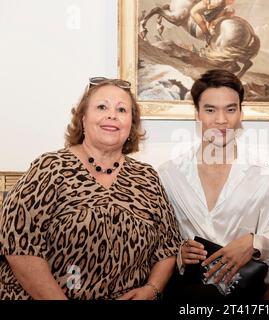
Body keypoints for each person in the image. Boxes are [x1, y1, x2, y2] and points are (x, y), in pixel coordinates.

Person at [0, 77, 182, 300]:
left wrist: (151, 289)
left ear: (131, 124)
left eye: (122, 109)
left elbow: (168, 247)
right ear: (83, 118)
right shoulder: (50, 167)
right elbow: (17, 243)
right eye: (102, 107)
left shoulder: (147, 177)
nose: (112, 115)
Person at [158, 69, 269, 300]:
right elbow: (160, 242)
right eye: (210, 110)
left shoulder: (264, 175)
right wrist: (180, 255)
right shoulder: (170, 174)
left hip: (243, 296)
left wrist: (254, 243)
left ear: (240, 113)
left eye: (230, 109)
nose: (221, 120)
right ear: (197, 113)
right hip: (187, 295)